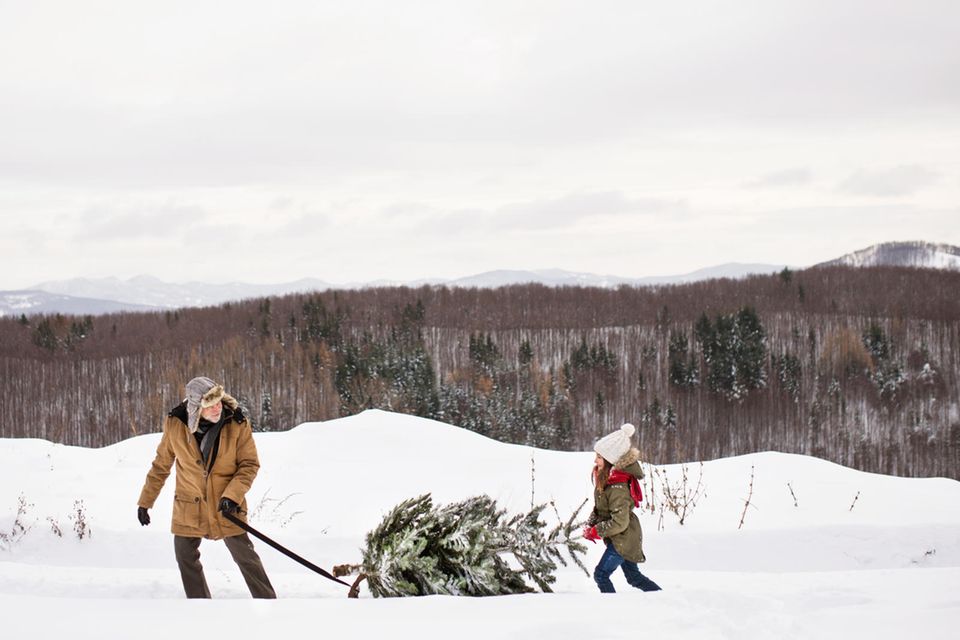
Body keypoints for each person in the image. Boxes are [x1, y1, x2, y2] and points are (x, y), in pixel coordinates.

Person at [137, 376, 277, 599]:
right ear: (195, 407)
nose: (217, 408)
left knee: (245, 556)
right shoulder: (175, 424)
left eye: (219, 402)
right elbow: (161, 466)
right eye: (210, 405)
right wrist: (145, 502)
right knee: (184, 555)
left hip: (227, 505)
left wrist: (232, 496)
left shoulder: (237, 423)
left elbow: (249, 465)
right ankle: (199, 605)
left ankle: (269, 602)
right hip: (189, 506)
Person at [582, 423, 662, 593]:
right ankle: (661, 598)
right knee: (634, 577)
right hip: (622, 536)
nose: (595, 461)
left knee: (601, 575)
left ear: (610, 460)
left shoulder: (618, 486)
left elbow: (620, 522)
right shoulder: (608, 480)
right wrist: (589, 525)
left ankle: (611, 606)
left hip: (624, 538)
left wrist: (597, 530)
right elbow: (601, 509)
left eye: (599, 457)